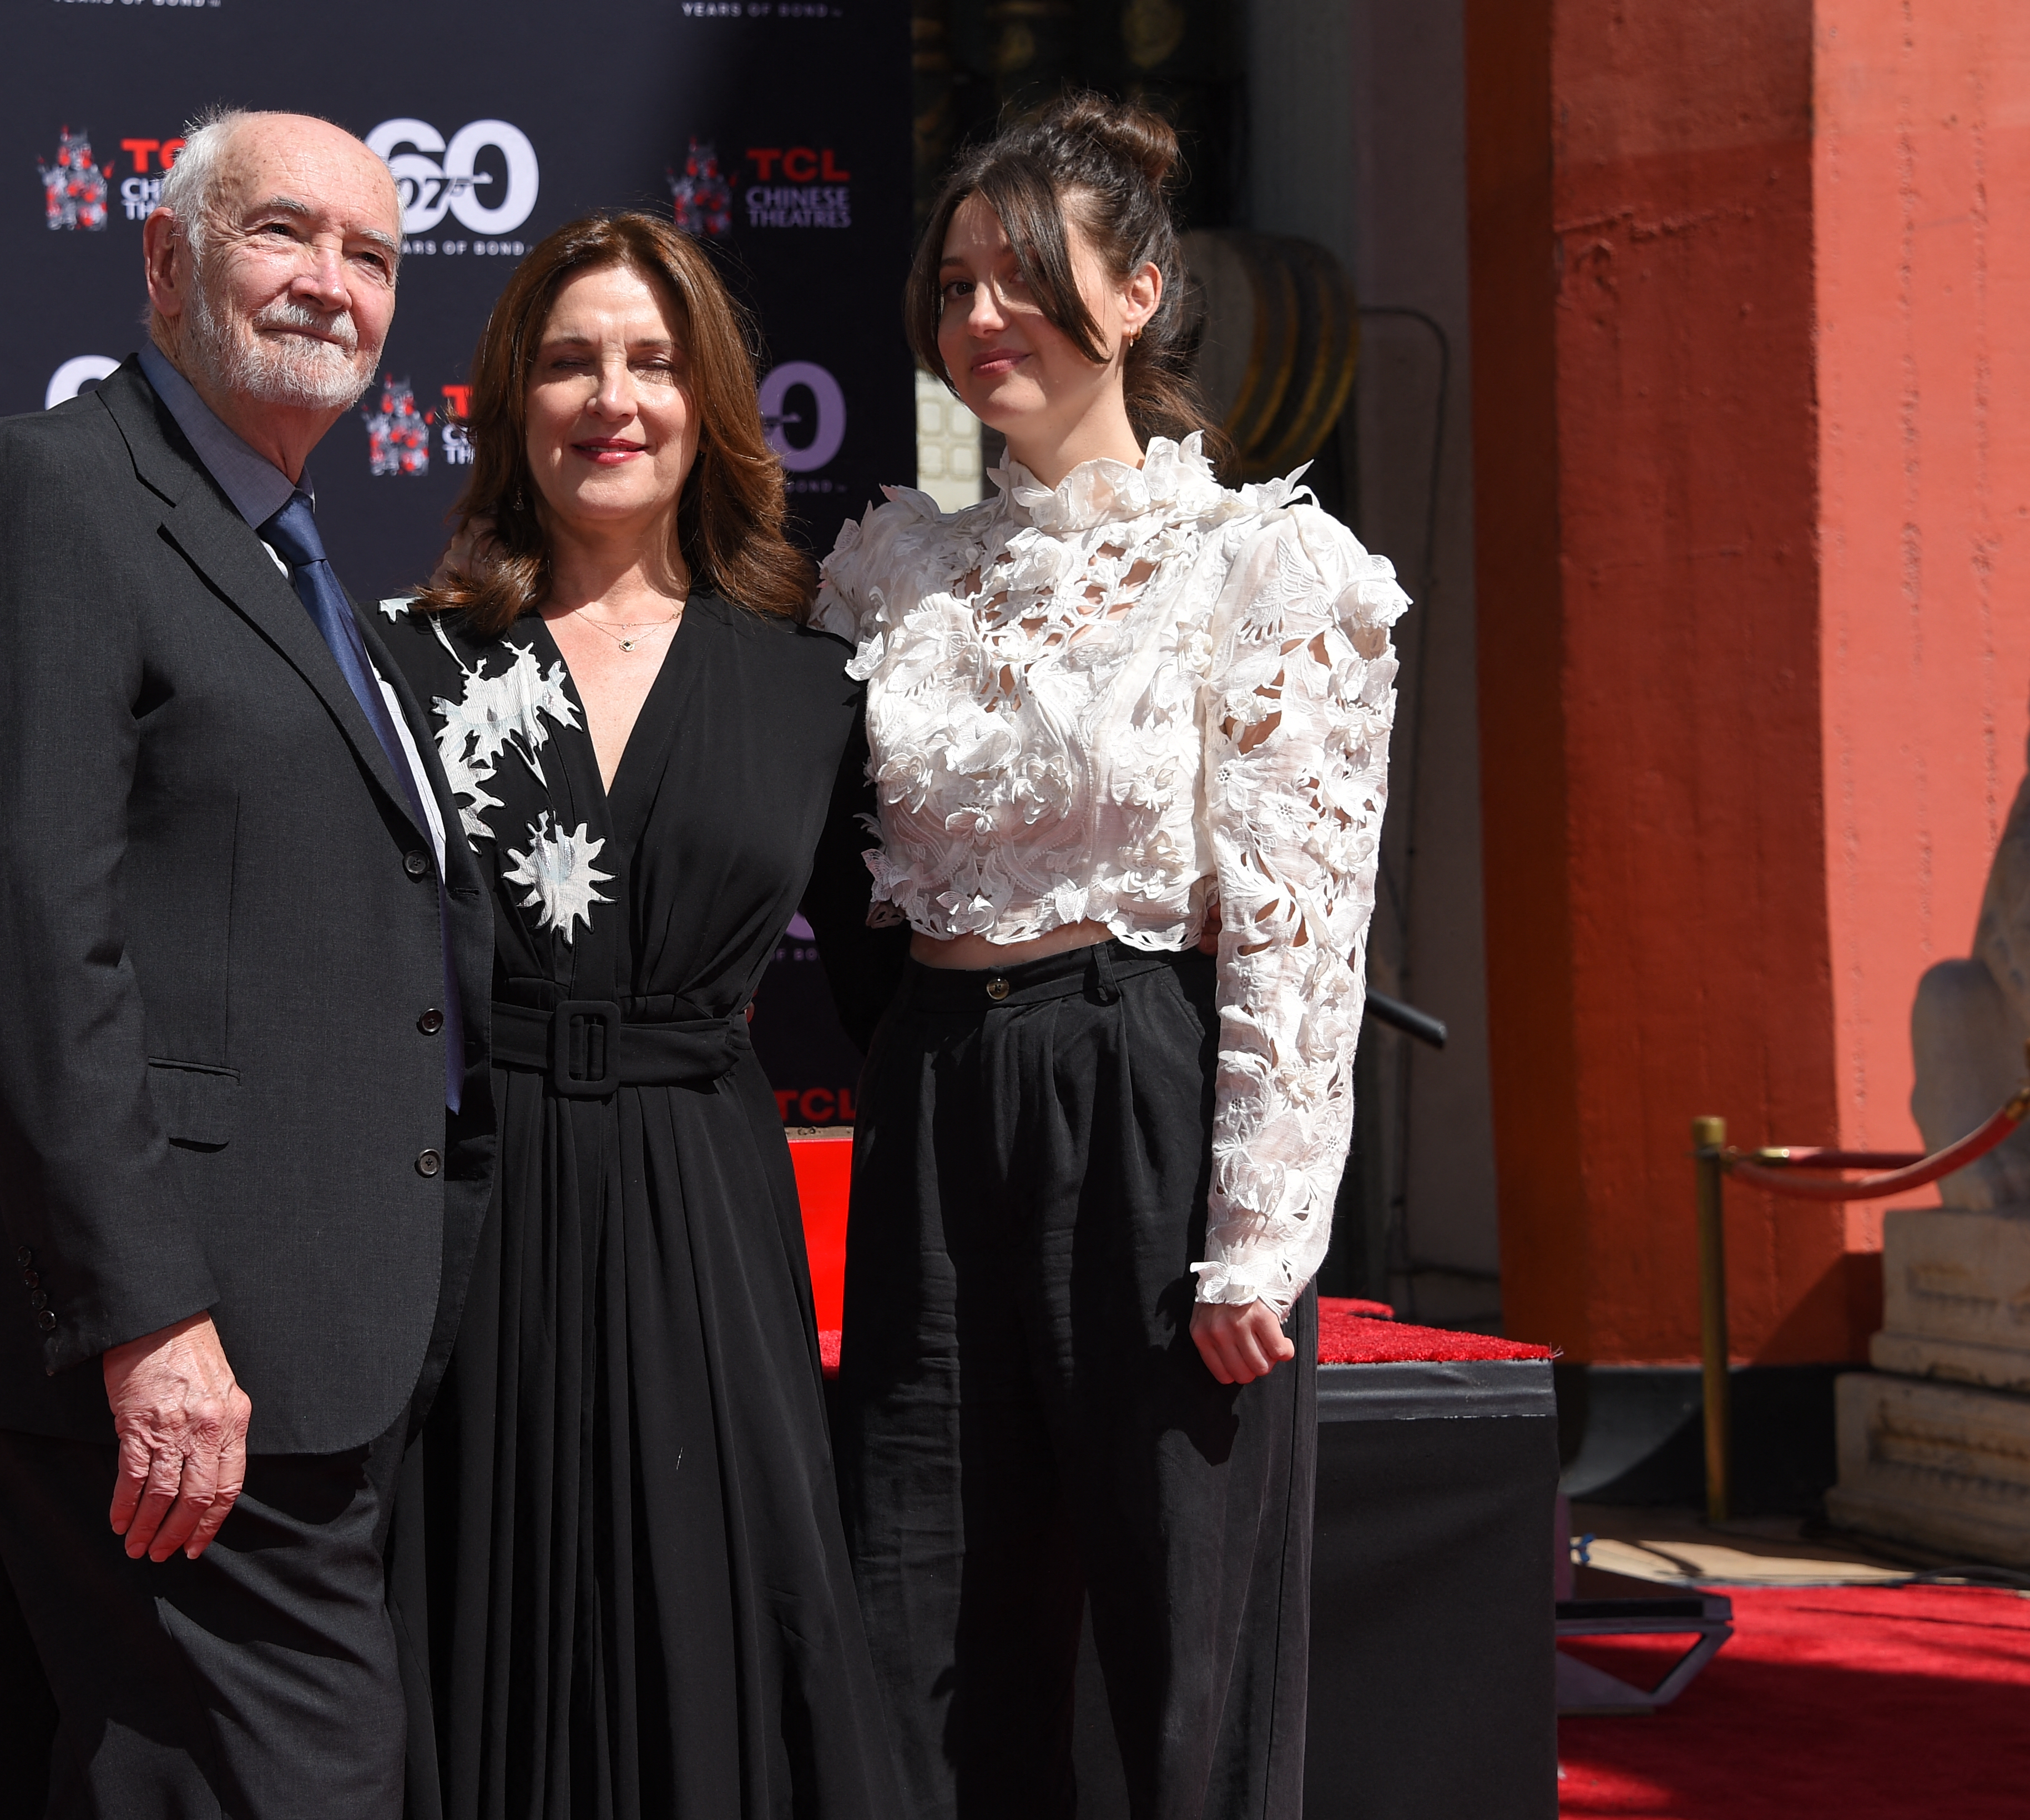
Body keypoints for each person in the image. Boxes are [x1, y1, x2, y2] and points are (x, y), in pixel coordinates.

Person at [0, 107, 496, 1818]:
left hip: (312, 1347)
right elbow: (21, 940)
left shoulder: (307, 575)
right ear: (163, 260)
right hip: (173, 1361)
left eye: (372, 258)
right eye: (281, 234)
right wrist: (148, 1320)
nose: (331, 285)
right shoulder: (49, 493)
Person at [819, 94, 1407, 1818]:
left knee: (1185, 1629)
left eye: (1022, 279)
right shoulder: (894, 573)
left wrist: (1259, 1242)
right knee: (917, 1600)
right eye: (952, 287)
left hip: (1143, 1085)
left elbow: (1304, 919)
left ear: (1138, 292)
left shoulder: (1263, 563)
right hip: (935, 1103)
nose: (978, 318)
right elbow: (846, 875)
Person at [374, 212, 904, 1820]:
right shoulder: (411, 664)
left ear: (710, 404)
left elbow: (903, 1002)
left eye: (655, 363)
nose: (613, 399)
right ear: (511, 402)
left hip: (704, 1219)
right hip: (473, 1211)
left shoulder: (813, 680)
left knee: (720, 1614)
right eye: (570, 360)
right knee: (472, 1614)